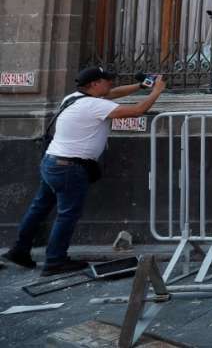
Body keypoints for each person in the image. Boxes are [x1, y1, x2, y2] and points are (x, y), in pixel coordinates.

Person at [2, 66, 165, 275]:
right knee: (67, 215)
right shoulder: (92, 105)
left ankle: (19, 251)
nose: (111, 83)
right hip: (69, 168)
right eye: (107, 80)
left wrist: (140, 86)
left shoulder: (73, 98)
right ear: (95, 84)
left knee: (39, 208)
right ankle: (55, 261)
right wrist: (156, 91)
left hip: (52, 162)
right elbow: (136, 111)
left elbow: (113, 93)